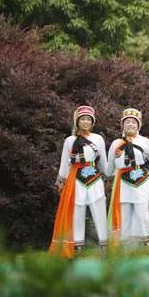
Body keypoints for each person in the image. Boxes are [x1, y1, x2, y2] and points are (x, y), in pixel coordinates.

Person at [50, 106, 108, 258]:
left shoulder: (98, 139)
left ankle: (105, 248)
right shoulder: (69, 141)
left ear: (93, 122)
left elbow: (103, 164)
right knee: (77, 213)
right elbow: (65, 164)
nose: (86, 122)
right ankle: (77, 250)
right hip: (76, 180)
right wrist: (60, 182)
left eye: (89, 119)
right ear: (77, 122)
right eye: (83, 119)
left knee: (100, 212)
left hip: (95, 178)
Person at [107, 108, 149, 249]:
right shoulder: (115, 143)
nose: (131, 124)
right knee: (125, 217)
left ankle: (147, 248)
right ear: (122, 125)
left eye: (134, 122)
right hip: (123, 184)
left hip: (141, 182)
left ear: (138, 125)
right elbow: (108, 170)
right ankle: (127, 250)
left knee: (142, 215)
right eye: (127, 122)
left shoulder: (145, 141)